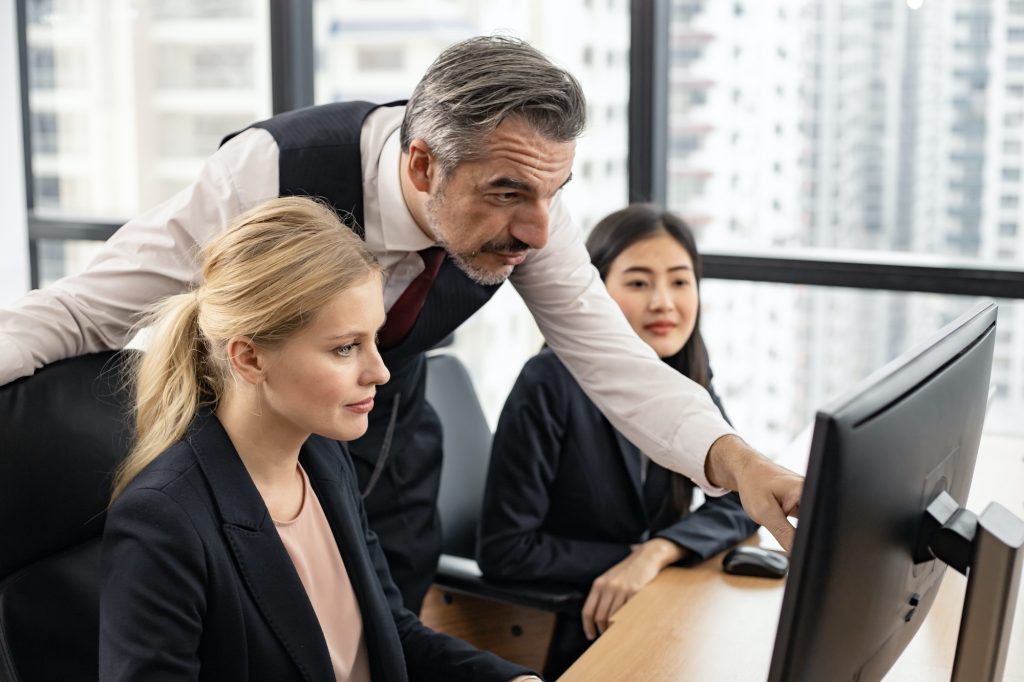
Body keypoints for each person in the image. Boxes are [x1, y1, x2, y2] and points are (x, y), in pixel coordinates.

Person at [0, 35, 801, 614]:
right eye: (508, 193)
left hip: (394, 443)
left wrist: (734, 459)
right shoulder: (272, 172)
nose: (536, 228)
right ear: (423, 166)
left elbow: (613, 361)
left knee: (386, 635)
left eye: (553, 193)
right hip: (252, 456)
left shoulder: (529, 205)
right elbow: (85, 308)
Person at [100, 196, 539, 681]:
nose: (380, 372)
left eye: (375, 339)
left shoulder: (324, 457)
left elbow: (389, 632)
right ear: (249, 358)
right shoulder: (164, 520)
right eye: (346, 348)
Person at [477, 205, 759, 676]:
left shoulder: (686, 378)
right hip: (578, 625)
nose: (664, 303)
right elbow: (506, 550)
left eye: (679, 281)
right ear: (596, 296)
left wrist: (658, 552)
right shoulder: (549, 382)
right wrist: (628, 559)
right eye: (638, 282)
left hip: (660, 609)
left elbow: (737, 498)